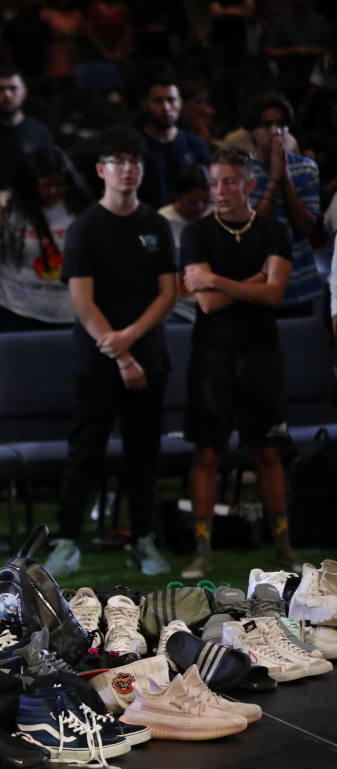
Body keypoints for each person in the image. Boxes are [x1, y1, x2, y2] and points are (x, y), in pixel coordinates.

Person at [43, 126, 178, 580]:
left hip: (149, 354)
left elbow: (167, 294)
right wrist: (120, 354)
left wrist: (130, 339)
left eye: (135, 161)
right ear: (102, 170)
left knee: (145, 453)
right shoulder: (85, 227)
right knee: (85, 451)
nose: (128, 169)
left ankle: (144, 539)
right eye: (118, 161)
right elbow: (83, 303)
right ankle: (67, 541)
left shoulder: (156, 225)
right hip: (96, 359)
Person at [178, 146, 298, 579]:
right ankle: (202, 551)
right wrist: (252, 281)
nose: (219, 190)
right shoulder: (196, 233)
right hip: (212, 354)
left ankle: (283, 549)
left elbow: (274, 294)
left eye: (228, 181)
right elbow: (208, 304)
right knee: (207, 451)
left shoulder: (274, 230)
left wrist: (216, 279)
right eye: (214, 183)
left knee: (267, 450)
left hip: (262, 352)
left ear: (249, 184)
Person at [0, 147, 92, 331]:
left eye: (60, 184)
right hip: (18, 308)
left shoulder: (80, 205)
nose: (53, 190)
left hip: (70, 309)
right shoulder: (6, 204)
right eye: (46, 184)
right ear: (30, 183)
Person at [245, 92, 323, 317]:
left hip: (300, 281)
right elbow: (256, 229)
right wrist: (274, 177)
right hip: (258, 284)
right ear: (252, 131)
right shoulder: (242, 172)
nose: (276, 131)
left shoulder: (306, 168)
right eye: (267, 125)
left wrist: (285, 174)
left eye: (281, 124)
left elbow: (305, 227)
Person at [137, 72, 212, 211]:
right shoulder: (135, 147)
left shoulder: (195, 144)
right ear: (145, 104)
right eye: (158, 101)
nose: (166, 107)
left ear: (180, 103)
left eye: (171, 100)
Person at [159, 164, 213, 323]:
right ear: (177, 196)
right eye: (192, 202)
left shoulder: (217, 216)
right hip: (176, 305)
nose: (199, 208)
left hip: (212, 299)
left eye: (205, 201)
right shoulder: (160, 222)